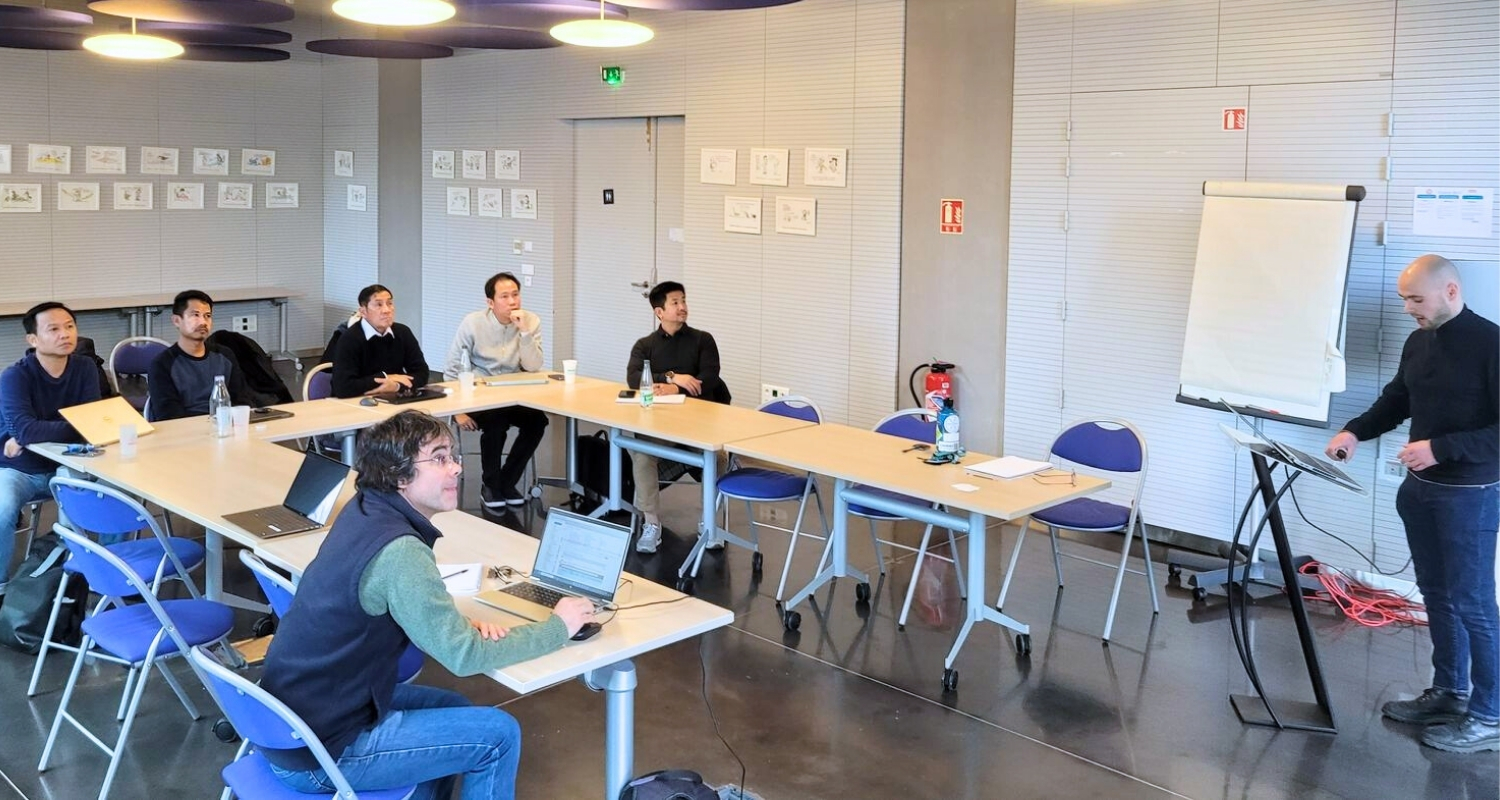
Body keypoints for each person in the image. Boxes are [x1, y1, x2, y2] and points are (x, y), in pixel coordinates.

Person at [260, 410, 594, 799]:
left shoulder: (364, 509)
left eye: (453, 456)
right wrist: (559, 627)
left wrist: (449, 620)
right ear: (400, 476)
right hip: (323, 753)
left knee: (454, 707)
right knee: (498, 736)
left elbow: (394, 600)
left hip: (292, 719)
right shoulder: (401, 550)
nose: (457, 468)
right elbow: (465, 656)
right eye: (439, 458)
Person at [1325, 254, 1499, 754]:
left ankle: (1490, 715)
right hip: (1420, 490)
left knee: (1473, 603)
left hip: (1470, 495)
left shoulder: (1491, 344)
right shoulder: (1418, 341)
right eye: (1404, 299)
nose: (1407, 309)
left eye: (1416, 299)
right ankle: (1449, 692)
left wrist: (1440, 449)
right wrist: (1354, 431)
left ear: (1450, 292)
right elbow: (1397, 400)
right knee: (1437, 594)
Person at [0, 303, 102, 591]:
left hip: (70, 462)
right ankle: (1, 587)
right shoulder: (15, 376)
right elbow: (26, 429)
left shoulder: (85, 368)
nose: (64, 334)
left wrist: (29, 434)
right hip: (21, 468)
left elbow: (93, 422)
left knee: (116, 494)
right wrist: (29, 433)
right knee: (2, 510)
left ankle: (99, 577)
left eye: (69, 326)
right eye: (53, 329)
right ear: (33, 340)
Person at [624, 281, 731, 553]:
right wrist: (673, 377)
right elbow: (635, 378)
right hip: (660, 426)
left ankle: (709, 522)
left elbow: (709, 378)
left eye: (683, 300)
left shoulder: (703, 340)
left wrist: (673, 388)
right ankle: (651, 524)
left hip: (699, 425)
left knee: (718, 457)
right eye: (675, 302)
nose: (682, 307)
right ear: (659, 312)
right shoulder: (645, 345)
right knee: (642, 456)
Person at [445, 272, 549, 508]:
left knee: (537, 422)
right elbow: (451, 368)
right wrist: (457, 411)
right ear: (490, 302)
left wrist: (524, 333)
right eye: (505, 296)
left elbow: (533, 366)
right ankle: (491, 485)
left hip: (514, 395)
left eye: (515, 295)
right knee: (496, 422)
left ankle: (507, 481)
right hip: (479, 395)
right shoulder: (473, 323)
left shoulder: (531, 321)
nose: (512, 301)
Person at [145, 290, 252, 421]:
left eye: (207, 316)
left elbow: (241, 402)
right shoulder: (162, 364)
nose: (203, 322)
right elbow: (169, 416)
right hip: (186, 429)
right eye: (195, 315)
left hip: (225, 425)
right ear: (177, 321)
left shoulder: (225, 356)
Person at [332, 284, 430, 399]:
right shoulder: (349, 338)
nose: (386, 310)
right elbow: (343, 387)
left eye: (389, 303)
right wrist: (386, 377)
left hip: (394, 398)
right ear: (363, 311)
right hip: (355, 402)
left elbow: (422, 373)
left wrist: (396, 386)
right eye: (378, 305)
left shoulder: (403, 332)